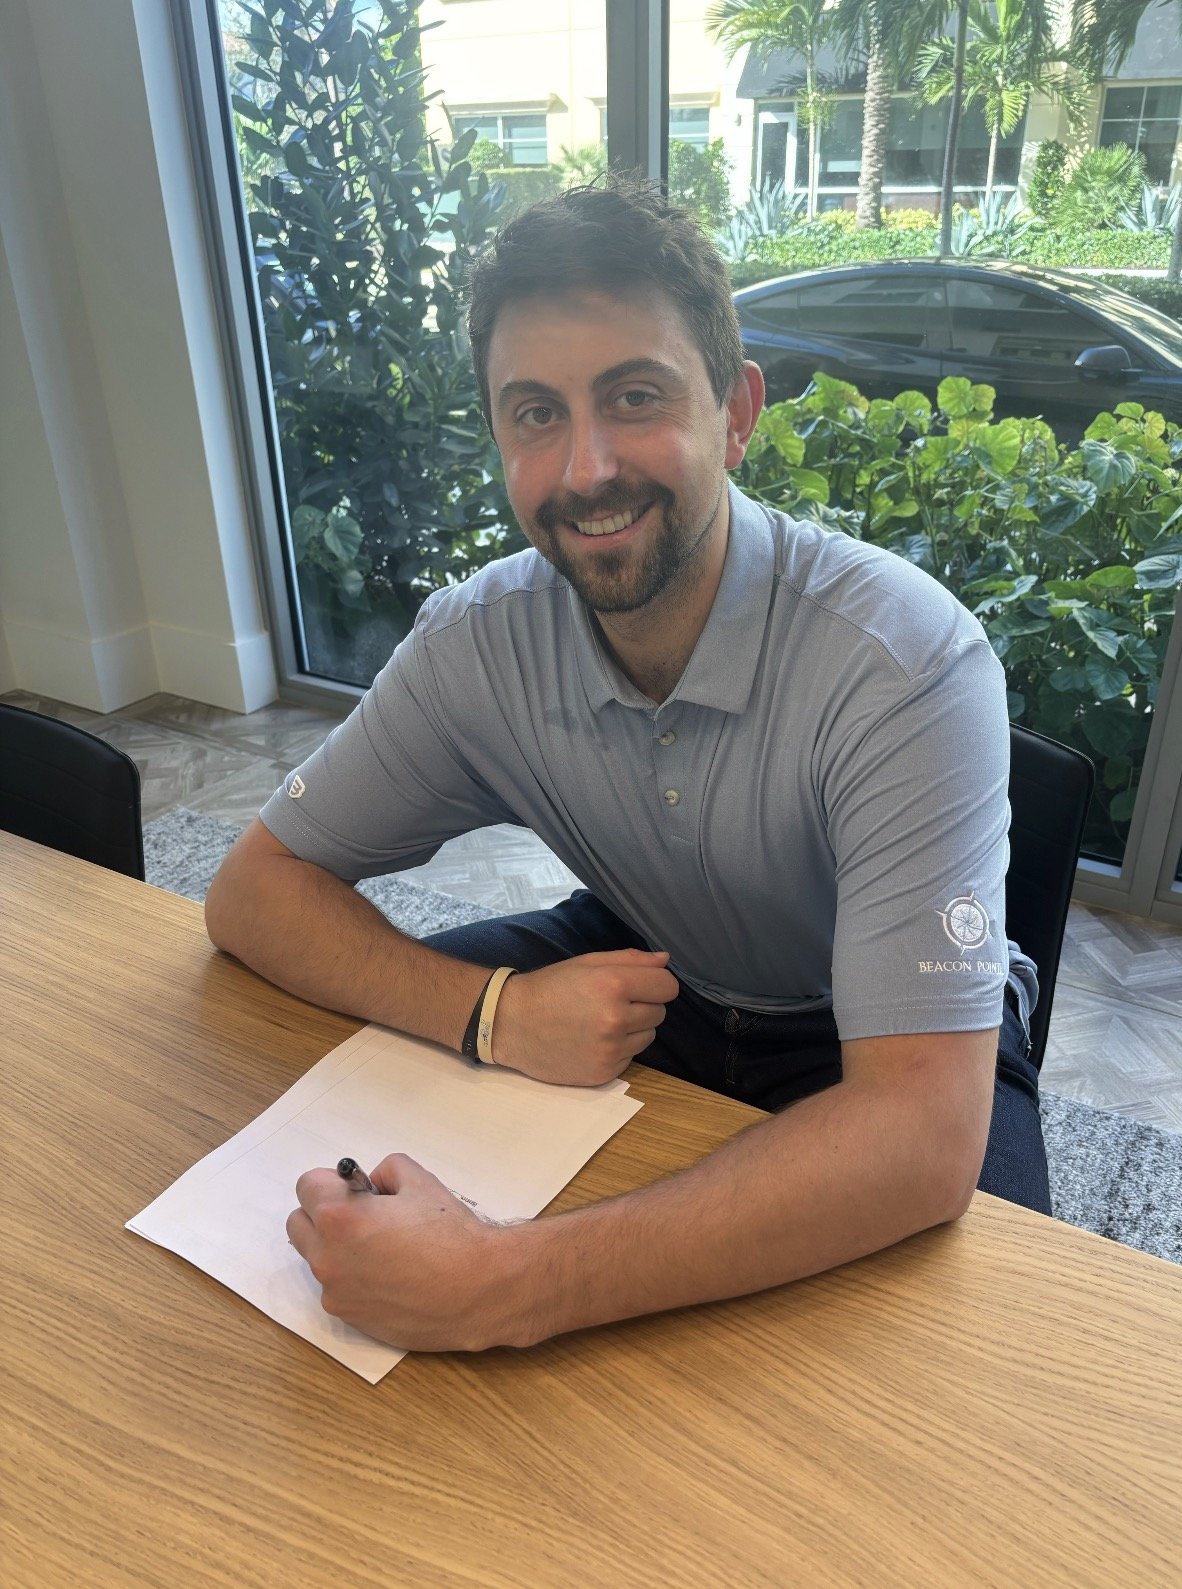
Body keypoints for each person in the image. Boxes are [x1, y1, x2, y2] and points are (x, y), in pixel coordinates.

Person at [205, 178, 1049, 1355]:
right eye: (535, 413)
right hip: (653, 959)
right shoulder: (475, 643)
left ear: (736, 412)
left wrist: (508, 1281)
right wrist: (496, 1015)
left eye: (635, 396)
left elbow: (918, 1131)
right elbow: (252, 893)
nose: (587, 467)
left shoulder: (906, 660)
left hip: (869, 1019)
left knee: (964, 1367)